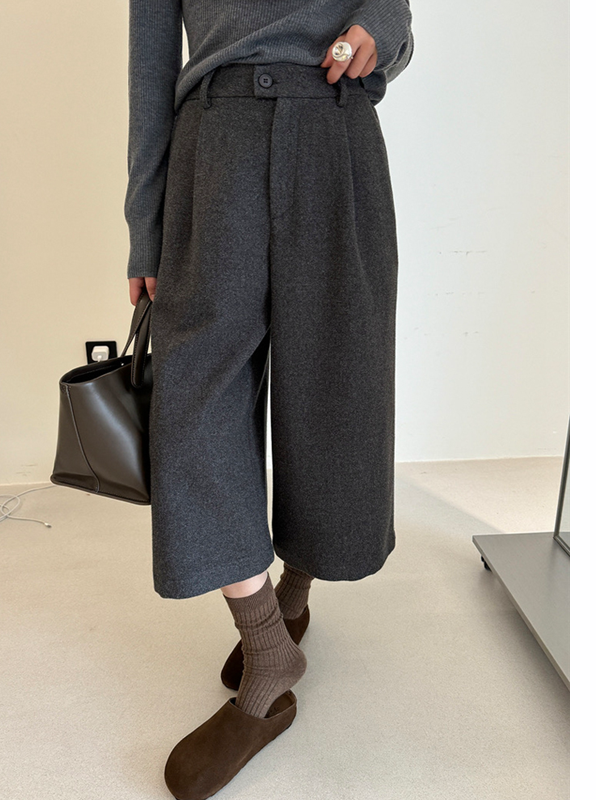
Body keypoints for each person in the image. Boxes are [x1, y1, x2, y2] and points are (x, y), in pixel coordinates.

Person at [125, 2, 414, 797]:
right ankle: (267, 649)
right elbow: (150, 70)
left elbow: (394, 14)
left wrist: (380, 31)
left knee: (336, 387)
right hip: (215, 142)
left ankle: (295, 591)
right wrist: (145, 227)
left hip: (335, 126)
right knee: (194, 399)